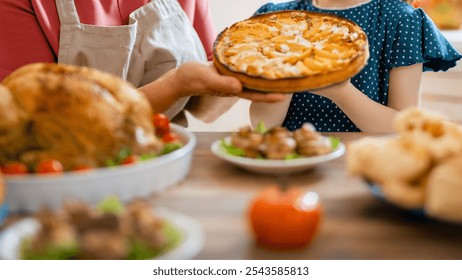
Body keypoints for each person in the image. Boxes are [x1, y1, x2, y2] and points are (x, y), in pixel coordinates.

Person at [0, 0, 284, 124]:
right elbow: (33, 125)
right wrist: (175, 85)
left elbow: (205, 110)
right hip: (71, 172)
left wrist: (250, 63)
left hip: (170, 158)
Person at [250, 0, 462, 133]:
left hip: (365, 166)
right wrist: (285, 75)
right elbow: (263, 125)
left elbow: (403, 129)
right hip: (291, 162)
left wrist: (340, 92)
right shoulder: (277, 19)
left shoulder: (401, 20)